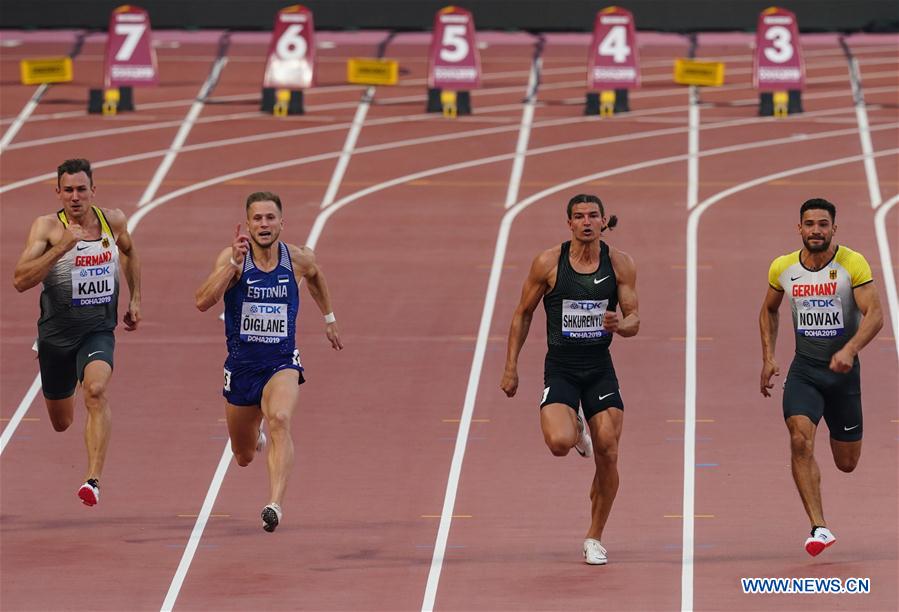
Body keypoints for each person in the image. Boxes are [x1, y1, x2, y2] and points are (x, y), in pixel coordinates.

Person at [501, 193, 639, 565]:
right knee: (559, 443)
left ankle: (594, 537)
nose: (587, 222)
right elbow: (523, 313)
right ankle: (577, 429)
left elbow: (634, 318)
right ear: (569, 223)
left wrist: (620, 324)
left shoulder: (620, 264)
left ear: (603, 221)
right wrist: (511, 366)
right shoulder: (548, 263)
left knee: (608, 452)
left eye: (593, 215)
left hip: (599, 369)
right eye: (579, 216)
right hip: (561, 367)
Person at [195, 191, 342, 533]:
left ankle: (274, 504)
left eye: (270, 218)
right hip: (242, 367)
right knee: (243, 455)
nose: (264, 224)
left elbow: (316, 275)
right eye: (257, 219)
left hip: (281, 362)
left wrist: (329, 318)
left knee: (280, 418)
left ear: (281, 223)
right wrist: (232, 267)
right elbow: (202, 301)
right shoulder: (233, 258)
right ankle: (254, 435)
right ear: (247, 224)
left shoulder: (297, 259)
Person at [13, 158, 142, 507]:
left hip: (97, 330)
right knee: (61, 422)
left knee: (96, 391)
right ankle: (64, 373)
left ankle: (92, 481)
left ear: (93, 191)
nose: (75, 197)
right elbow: (20, 280)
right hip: (55, 336)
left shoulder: (112, 221)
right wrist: (61, 249)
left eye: (81, 189)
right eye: (68, 190)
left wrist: (135, 299)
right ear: (58, 192)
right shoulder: (46, 229)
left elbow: (129, 251)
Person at [759, 198, 883, 556]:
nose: (816, 230)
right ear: (799, 228)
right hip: (805, 371)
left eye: (823, 224)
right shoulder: (783, 267)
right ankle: (819, 527)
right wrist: (768, 356)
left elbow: (875, 315)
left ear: (834, 229)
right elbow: (768, 310)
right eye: (810, 224)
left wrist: (850, 350)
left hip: (843, 376)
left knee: (847, 463)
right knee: (800, 440)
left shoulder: (852, 263)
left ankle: (835, 438)